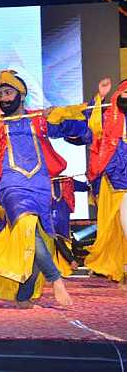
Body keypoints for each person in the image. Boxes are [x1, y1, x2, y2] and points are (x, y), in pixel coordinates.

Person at [0, 70, 87, 307]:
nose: (4, 98)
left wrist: (57, 117)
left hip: (40, 186)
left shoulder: (38, 119)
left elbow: (77, 132)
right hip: (11, 186)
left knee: (40, 239)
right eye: (1, 94)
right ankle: (55, 279)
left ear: (21, 95)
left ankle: (22, 295)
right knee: (27, 227)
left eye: (8, 93)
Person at [84, 78, 127, 289]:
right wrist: (100, 97)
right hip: (112, 178)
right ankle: (113, 266)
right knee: (113, 225)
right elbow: (91, 124)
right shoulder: (107, 115)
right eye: (125, 93)